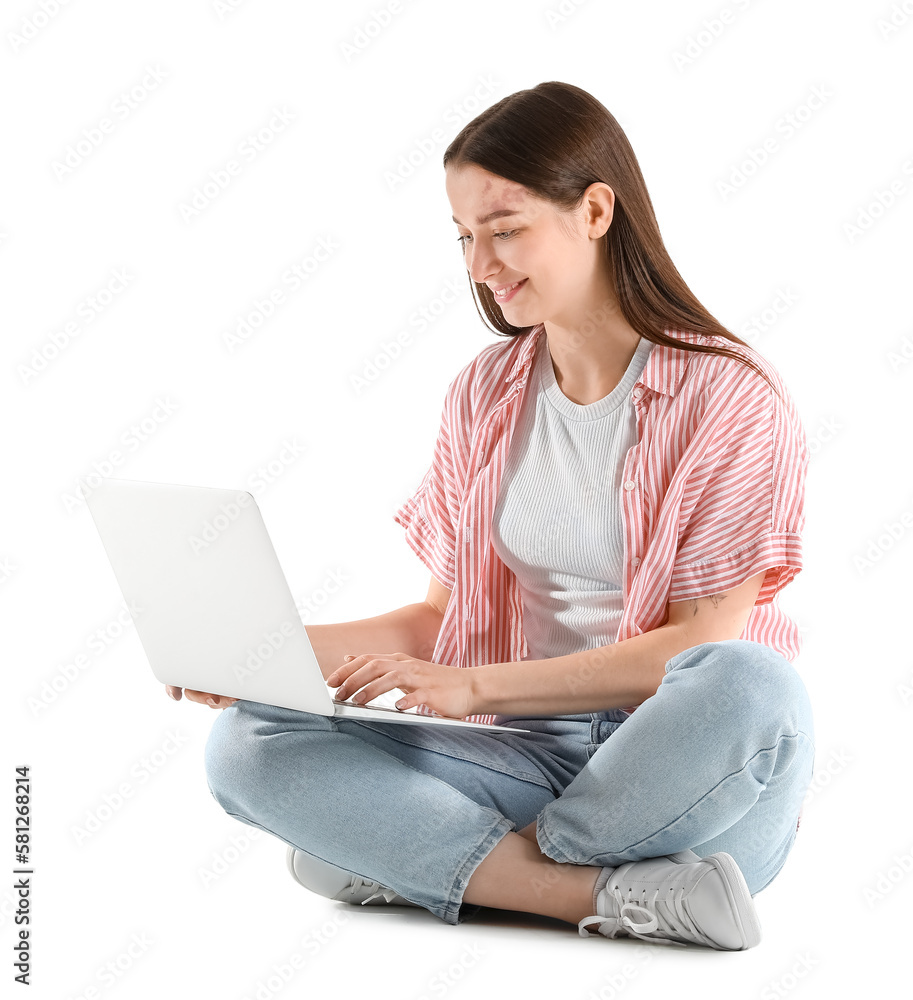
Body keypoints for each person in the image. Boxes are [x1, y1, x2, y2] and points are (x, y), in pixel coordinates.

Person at [174, 81, 815, 950]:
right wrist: (257, 650)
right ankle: (592, 893)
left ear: (595, 211)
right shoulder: (485, 394)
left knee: (749, 681)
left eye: (505, 229)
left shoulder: (731, 398)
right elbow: (435, 621)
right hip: (515, 757)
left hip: (679, 774)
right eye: (465, 237)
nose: (480, 265)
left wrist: (472, 693)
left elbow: (690, 646)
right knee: (246, 742)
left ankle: (429, 860)